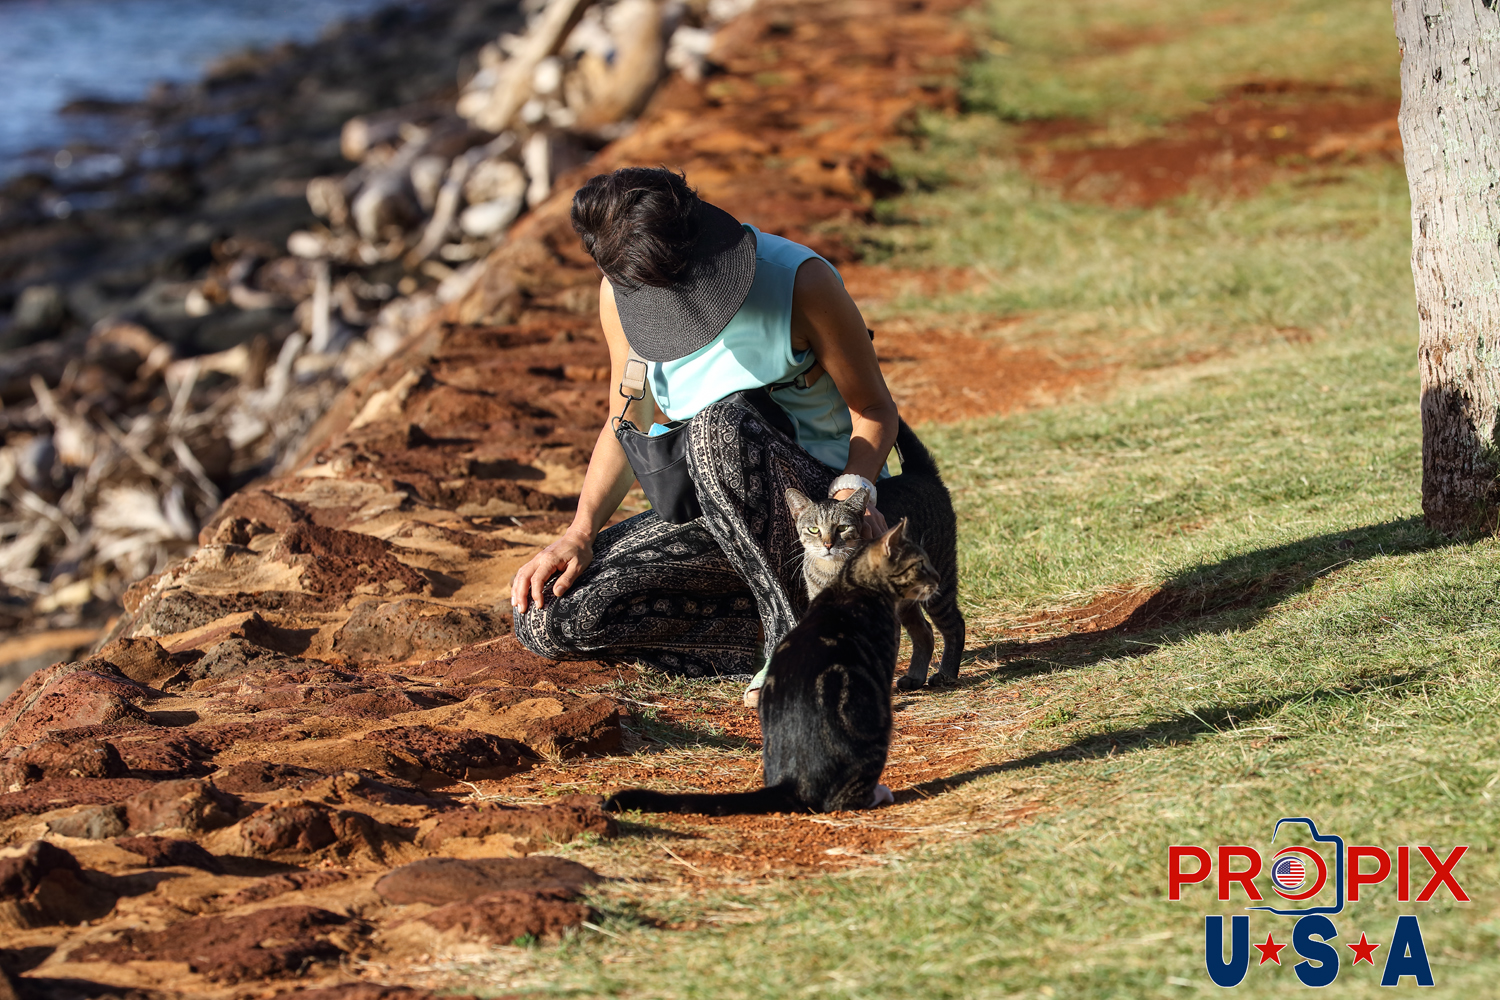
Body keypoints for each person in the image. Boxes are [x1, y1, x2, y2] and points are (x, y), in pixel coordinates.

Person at [510, 167, 899, 706]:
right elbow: (627, 421)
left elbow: (875, 408)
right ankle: (825, 620)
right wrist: (579, 531)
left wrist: (854, 492)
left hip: (825, 516)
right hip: (719, 524)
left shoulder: (798, 279)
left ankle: (796, 649)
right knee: (549, 619)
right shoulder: (619, 293)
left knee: (717, 431)